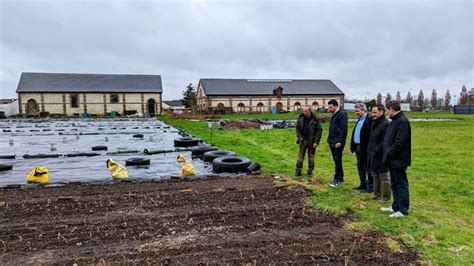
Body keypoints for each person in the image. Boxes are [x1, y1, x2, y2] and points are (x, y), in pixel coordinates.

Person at [380, 101, 411, 218]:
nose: (387, 112)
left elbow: (400, 142)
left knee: (401, 184)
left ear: (392, 109)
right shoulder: (394, 121)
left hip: (398, 159)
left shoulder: (402, 122)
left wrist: (389, 154)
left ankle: (403, 210)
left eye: (388, 110)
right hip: (392, 160)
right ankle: (395, 206)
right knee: (394, 184)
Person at [367, 104, 391, 202]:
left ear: (382, 112)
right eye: (372, 112)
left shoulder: (385, 124)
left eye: (375, 112)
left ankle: (385, 197)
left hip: (381, 155)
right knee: (375, 174)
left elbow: (385, 141)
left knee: (383, 176)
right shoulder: (374, 122)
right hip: (373, 153)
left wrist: (377, 150)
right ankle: (376, 194)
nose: (373, 114)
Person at [350, 103, 373, 192]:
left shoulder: (370, 120)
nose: (356, 113)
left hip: (365, 148)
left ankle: (370, 186)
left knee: (368, 167)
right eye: (355, 111)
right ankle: (362, 184)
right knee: (360, 166)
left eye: (357, 111)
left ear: (363, 110)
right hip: (357, 147)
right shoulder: (359, 120)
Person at [295, 106, 323, 177]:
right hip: (303, 140)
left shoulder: (316, 119)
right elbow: (297, 128)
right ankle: (298, 171)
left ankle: (310, 172)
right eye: (303, 111)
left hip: (312, 141)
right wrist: (299, 137)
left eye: (306, 111)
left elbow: (319, 131)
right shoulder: (301, 117)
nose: (304, 113)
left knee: (311, 157)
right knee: (300, 156)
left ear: (310, 111)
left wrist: (316, 142)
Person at [327, 99, 348, 188]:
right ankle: (341, 176)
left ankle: (336, 179)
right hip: (332, 141)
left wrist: (340, 141)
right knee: (336, 160)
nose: (329, 109)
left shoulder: (342, 114)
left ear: (336, 106)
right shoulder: (334, 114)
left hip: (337, 142)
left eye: (330, 107)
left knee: (337, 160)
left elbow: (344, 129)